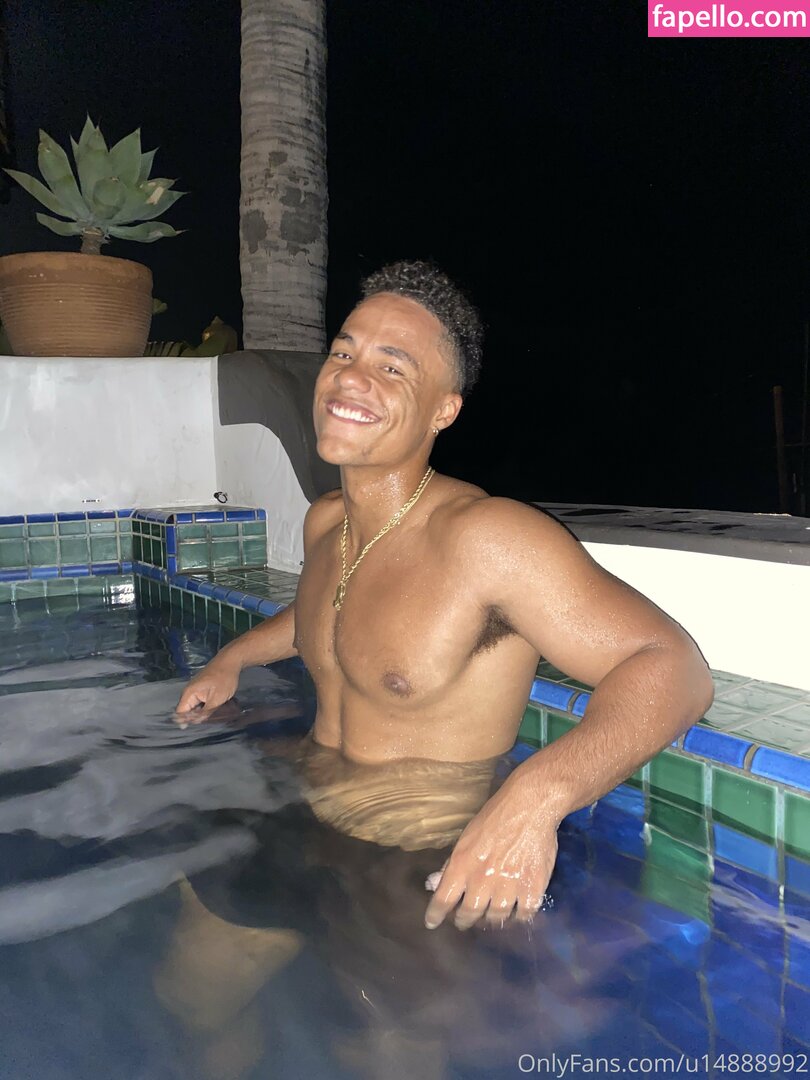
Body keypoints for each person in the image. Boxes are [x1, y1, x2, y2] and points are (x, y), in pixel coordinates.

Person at [176, 260, 714, 932]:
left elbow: (674, 667)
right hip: (303, 812)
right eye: (344, 353)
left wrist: (535, 798)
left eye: (392, 367)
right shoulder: (327, 521)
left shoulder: (485, 539)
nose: (351, 377)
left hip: (418, 863)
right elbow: (326, 613)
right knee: (187, 974)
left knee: (361, 1013)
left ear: (443, 409)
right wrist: (232, 658)